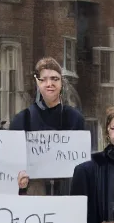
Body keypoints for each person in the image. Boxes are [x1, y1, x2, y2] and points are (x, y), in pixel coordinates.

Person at [11, 56, 86, 196]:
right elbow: (13, 164)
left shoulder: (75, 119)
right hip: (33, 193)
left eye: (54, 79)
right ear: (36, 82)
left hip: (67, 192)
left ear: (62, 82)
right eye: (43, 79)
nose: (49, 83)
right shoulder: (21, 120)